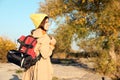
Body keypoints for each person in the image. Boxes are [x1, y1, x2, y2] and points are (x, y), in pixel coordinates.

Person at [22, 13, 56, 80]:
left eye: (48, 22)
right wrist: (52, 45)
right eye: (46, 22)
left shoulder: (32, 35)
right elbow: (45, 54)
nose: (48, 24)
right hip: (41, 67)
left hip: (31, 65)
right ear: (41, 23)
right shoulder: (44, 37)